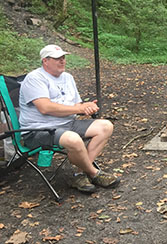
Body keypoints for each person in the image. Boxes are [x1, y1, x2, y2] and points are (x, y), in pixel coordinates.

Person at [19, 44, 120, 193]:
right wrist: (78, 109)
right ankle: (93, 173)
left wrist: (85, 107)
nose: (62, 61)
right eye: (57, 58)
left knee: (106, 126)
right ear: (45, 61)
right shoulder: (35, 78)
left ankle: (78, 174)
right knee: (73, 139)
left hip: (68, 124)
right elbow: (45, 107)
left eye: (63, 58)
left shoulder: (67, 77)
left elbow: (76, 104)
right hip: (38, 130)